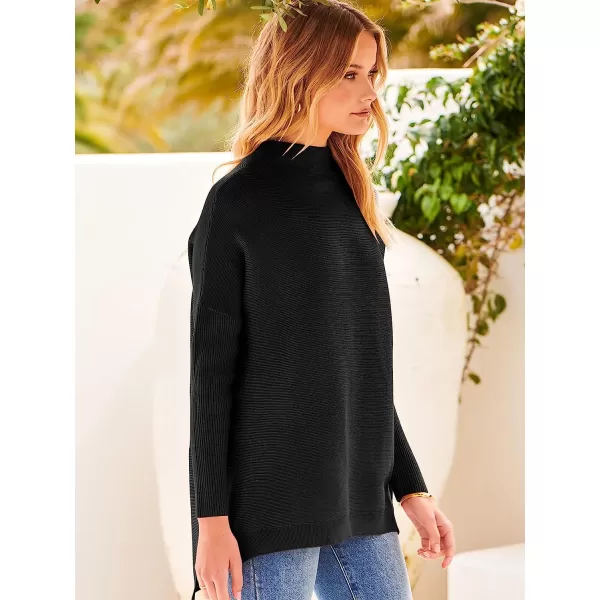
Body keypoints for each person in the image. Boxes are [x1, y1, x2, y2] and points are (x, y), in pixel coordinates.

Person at [187, 1, 455, 599]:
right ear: (299, 70)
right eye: (349, 73)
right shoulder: (236, 203)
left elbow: (357, 369)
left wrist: (411, 488)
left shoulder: (350, 196)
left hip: (357, 497)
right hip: (268, 507)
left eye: (372, 73)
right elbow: (210, 378)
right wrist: (211, 522)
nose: (369, 93)